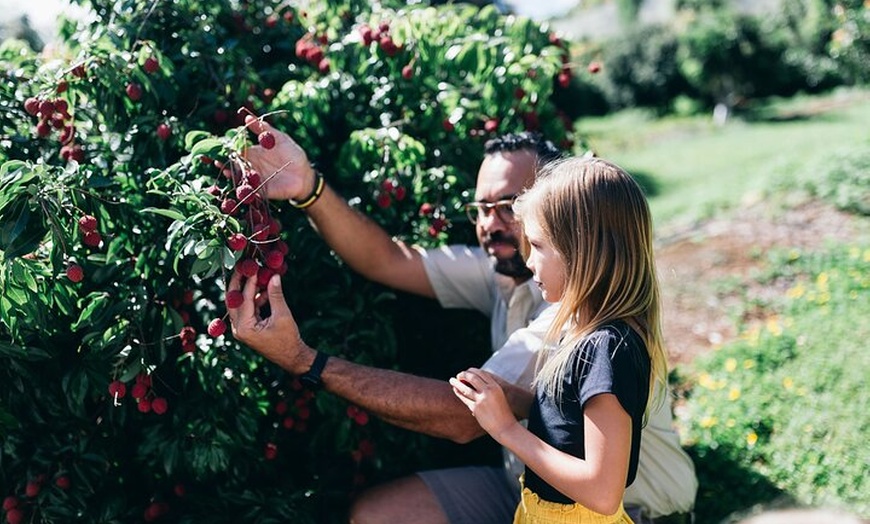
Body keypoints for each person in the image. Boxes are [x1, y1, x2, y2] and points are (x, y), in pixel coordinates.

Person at [228, 118, 697, 524]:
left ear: (568, 227)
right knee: (378, 514)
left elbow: (463, 420)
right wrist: (308, 187)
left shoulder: (584, 323)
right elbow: (388, 261)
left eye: (511, 207)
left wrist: (304, 361)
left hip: (623, 513)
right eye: (482, 208)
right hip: (533, 493)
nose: (492, 224)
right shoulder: (509, 271)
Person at [450, 156, 667, 523]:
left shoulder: (606, 349)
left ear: (581, 251)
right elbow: (573, 426)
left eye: (536, 245)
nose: (528, 261)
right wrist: (515, 401)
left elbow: (602, 490)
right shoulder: (590, 336)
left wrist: (505, 428)